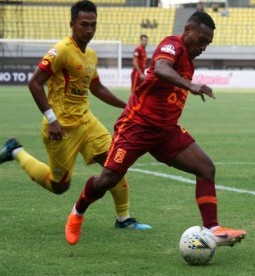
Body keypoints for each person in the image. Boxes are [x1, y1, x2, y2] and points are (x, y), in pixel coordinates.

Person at [65, 11, 247, 246]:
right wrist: (190, 85)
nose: (204, 47)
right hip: (136, 126)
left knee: (206, 168)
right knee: (107, 180)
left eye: (208, 43)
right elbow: (161, 68)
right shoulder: (172, 45)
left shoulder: (190, 61)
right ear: (187, 31)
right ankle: (78, 212)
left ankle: (213, 229)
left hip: (166, 132)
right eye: (202, 40)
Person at [0, 0, 151, 230]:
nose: (89, 30)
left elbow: (97, 87)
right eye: (84, 25)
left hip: (86, 122)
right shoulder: (60, 51)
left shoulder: (90, 55)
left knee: (115, 163)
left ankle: (124, 218)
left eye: (93, 24)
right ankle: (16, 151)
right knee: (59, 185)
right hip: (60, 128)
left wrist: (126, 105)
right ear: (72, 24)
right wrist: (52, 119)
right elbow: (34, 83)